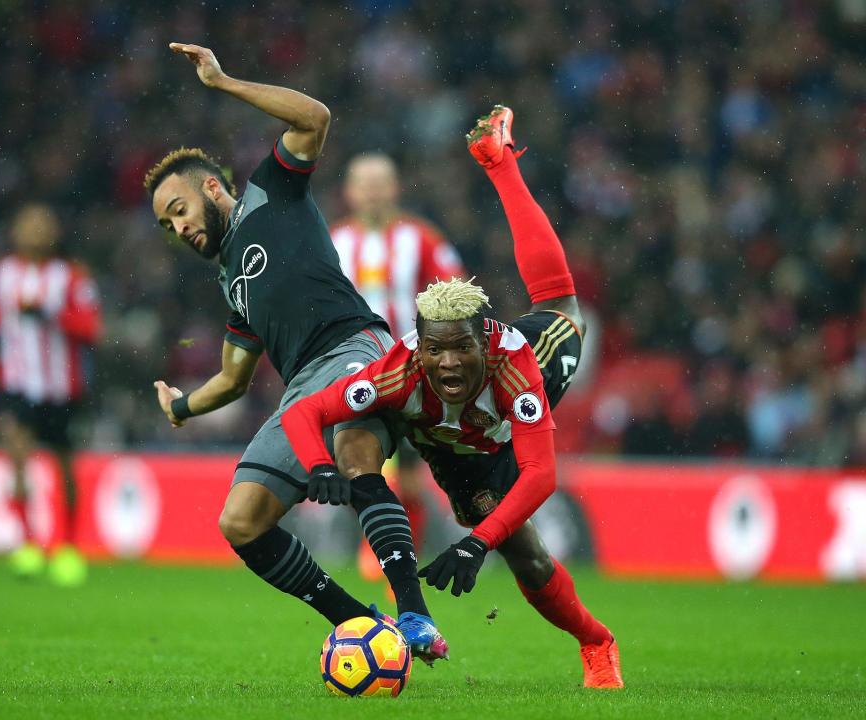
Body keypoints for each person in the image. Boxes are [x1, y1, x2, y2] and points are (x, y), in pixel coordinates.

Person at [281, 107, 622, 688]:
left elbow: (541, 475)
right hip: (431, 426)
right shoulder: (401, 370)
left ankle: (596, 642)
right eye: (436, 351)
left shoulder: (513, 368)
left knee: (527, 555)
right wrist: (317, 466)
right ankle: (407, 603)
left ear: (482, 342)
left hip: (498, 434)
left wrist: (476, 544)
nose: (448, 362)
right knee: (356, 441)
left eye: (460, 349)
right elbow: (304, 411)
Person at [146, 42, 445, 663]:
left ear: (210, 187)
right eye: (167, 226)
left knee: (357, 451)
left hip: (357, 346)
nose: (179, 229)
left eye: (179, 210)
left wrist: (223, 79)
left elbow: (315, 117)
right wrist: (183, 408)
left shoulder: (270, 192)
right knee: (241, 521)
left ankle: (414, 616)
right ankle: (364, 623)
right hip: (303, 388)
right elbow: (233, 377)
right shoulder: (232, 281)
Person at [331, 152, 465, 562]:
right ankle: (376, 549)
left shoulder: (422, 239)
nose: (372, 193)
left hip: (412, 372)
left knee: (409, 473)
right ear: (349, 192)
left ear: (395, 188)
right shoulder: (333, 243)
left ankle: (404, 552)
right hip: (354, 371)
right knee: (358, 460)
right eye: (363, 185)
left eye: (380, 184)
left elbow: (458, 295)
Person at [0, 203, 102, 587]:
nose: (35, 231)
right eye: (28, 224)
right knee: (16, 453)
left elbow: (91, 328)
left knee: (63, 468)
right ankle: (28, 543)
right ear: (15, 231)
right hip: (15, 385)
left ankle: (66, 546)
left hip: (61, 387)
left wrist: (50, 315)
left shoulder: (72, 275)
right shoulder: (3, 272)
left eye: (43, 224)